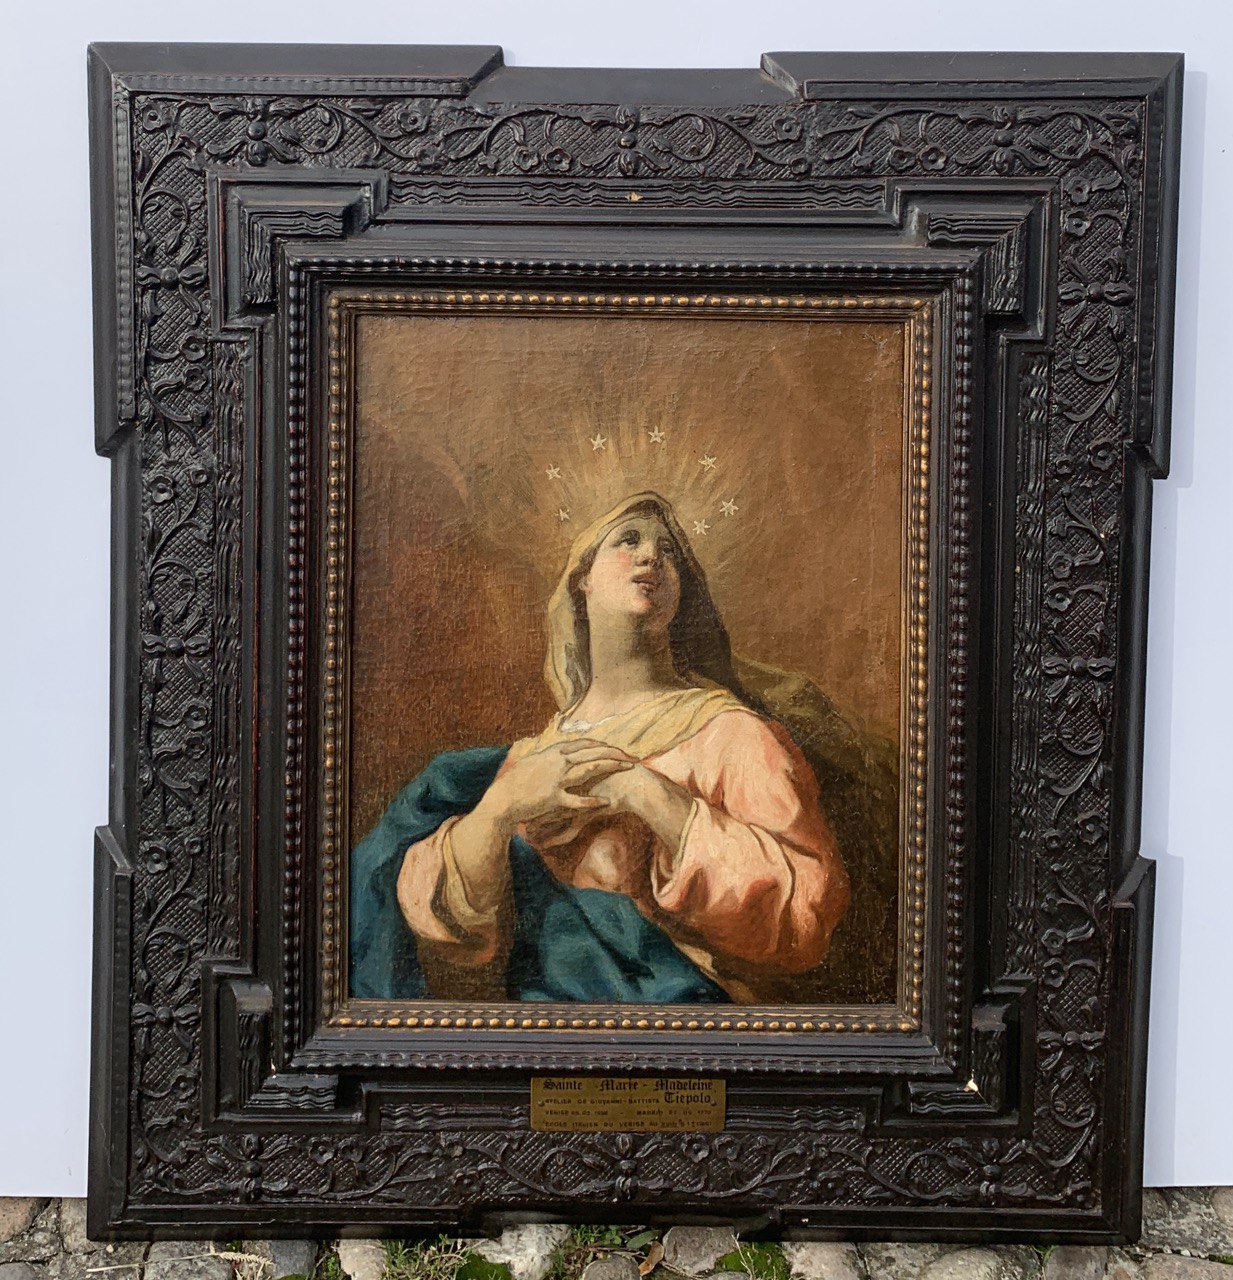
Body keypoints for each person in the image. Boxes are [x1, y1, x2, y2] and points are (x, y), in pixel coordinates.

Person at [350, 492, 852, 1004]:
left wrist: (647, 794)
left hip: (684, 1024)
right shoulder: (530, 759)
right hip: (543, 1031)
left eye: (668, 551)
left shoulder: (732, 735)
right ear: (581, 580)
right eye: (628, 540)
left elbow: (805, 914)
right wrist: (501, 808)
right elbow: (449, 931)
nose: (651, 556)